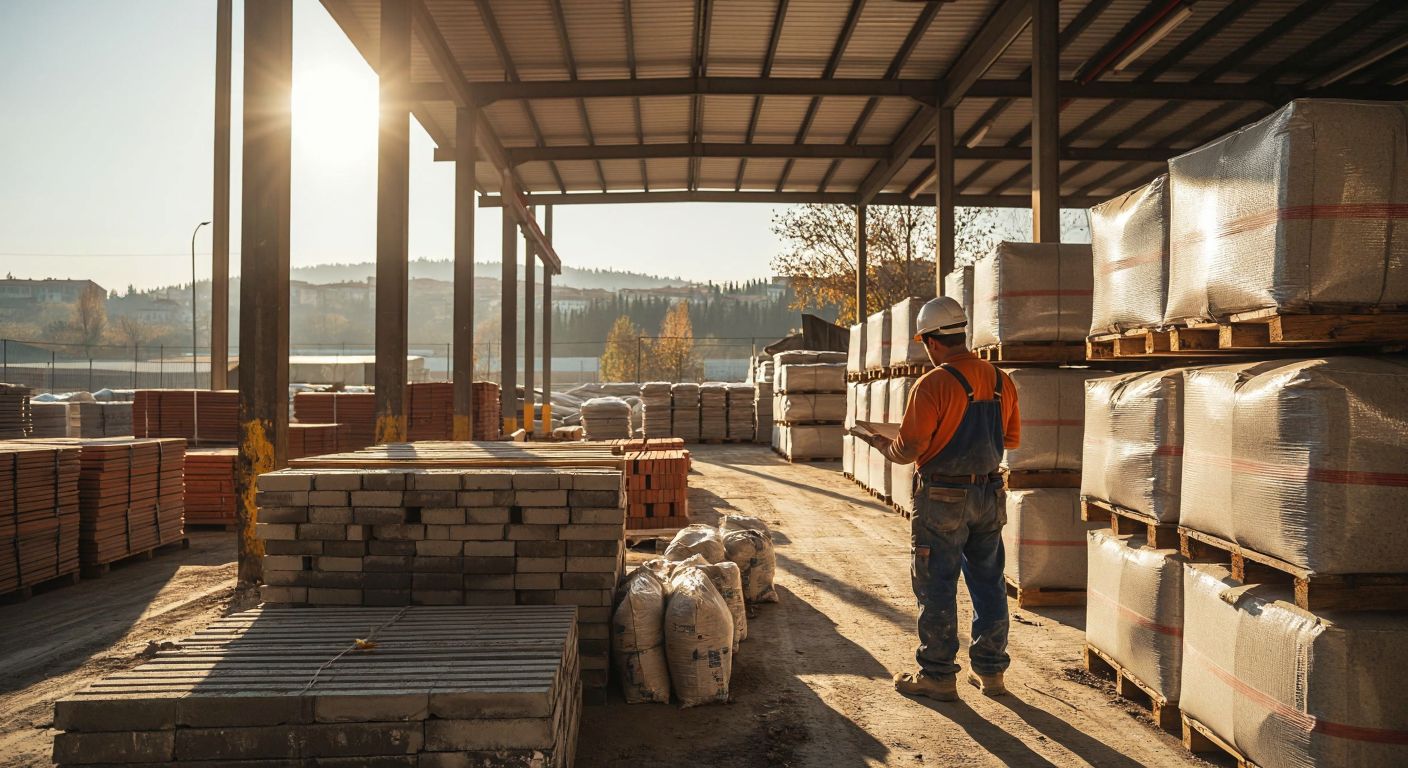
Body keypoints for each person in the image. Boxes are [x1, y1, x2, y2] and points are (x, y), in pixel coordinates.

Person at [854, 296, 1020, 702]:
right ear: (961, 333)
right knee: (988, 581)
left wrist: (881, 444)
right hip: (989, 492)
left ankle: (938, 674)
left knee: (937, 585)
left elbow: (908, 449)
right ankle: (991, 672)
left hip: (943, 496)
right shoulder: (1001, 381)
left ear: (930, 341)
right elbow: (1010, 440)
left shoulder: (933, 384)